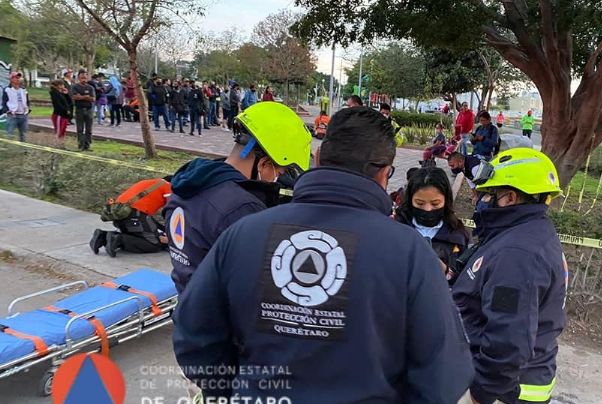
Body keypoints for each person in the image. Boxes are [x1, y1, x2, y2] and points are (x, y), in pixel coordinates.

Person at [172, 106, 474, 402]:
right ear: (385, 174)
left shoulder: (243, 233)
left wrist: (243, 392)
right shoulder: (409, 252)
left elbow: (194, 337)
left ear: (317, 159)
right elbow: (445, 374)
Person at [452, 148, 566, 404]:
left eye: (485, 193)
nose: (476, 199)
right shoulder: (526, 233)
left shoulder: (518, 255)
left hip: (501, 392)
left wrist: (478, 396)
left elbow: (508, 338)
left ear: (509, 198)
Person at [164, 102, 311, 293]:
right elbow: (261, 281)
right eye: (279, 171)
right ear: (263, 165)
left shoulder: (187, 183)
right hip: (218, 316)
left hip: (188, 304)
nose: (277, 179)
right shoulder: (241, 209)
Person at [395, 167, 469, 284]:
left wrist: (445, 271)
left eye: (435, 203)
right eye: (420, 203)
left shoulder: (457, 234)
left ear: (446, 200)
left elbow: (465, 279)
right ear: (410, 200)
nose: (428, 209)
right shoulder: (396, 227)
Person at [90, 177, 172, 257]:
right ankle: (118, 239)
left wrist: (162, 230)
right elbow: (171, 210)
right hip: (135, 216)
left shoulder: (147, 183)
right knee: (154, 244)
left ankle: (102, 236)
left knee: (137, 236)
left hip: (120, 215)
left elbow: (149, 221)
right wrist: (169, 236)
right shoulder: (168, 186)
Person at [70, 69, 96, 151]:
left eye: (85, 77)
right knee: (80, 129)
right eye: (82, 77)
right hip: (79, 109)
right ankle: (80, 145)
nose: (84, 79)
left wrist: (81, 96)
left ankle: (87, 145)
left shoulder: (90, 87)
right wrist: (85, 97)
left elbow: (93, 99)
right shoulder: (75, 87)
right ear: (78, 78)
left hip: (89, 110)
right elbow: (74, 97)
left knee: (89, 129)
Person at [1, 72, 31, 142]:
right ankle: (7, 149)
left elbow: (27, 101)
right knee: (9, 134)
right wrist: (7, 111)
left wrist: (27, 109)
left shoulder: (23, 90)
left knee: (23, 135)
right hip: (12, 115)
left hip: (23, 115)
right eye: (16, 77)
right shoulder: (7, 90)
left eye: (19, 78)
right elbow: (4, 102)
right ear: (11, 79)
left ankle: (24, 151)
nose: (18, 79)